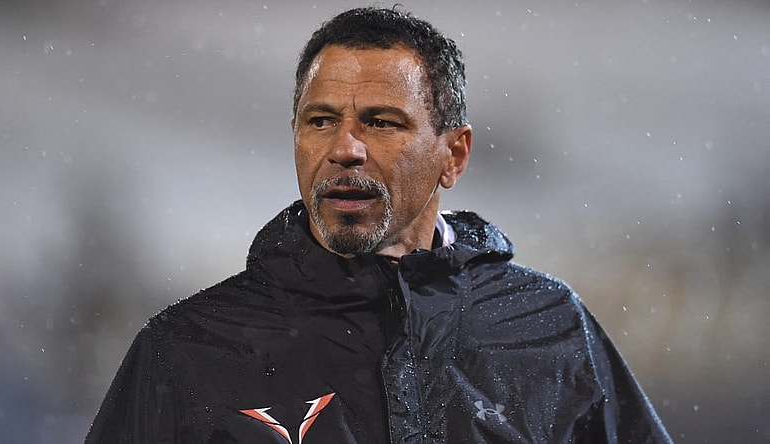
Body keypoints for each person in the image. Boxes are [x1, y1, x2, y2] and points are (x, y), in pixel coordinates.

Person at [85, 7, 672, 444]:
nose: (345, 149)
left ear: (454, 155)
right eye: (320, 121)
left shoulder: (547, 328)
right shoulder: (187, 350)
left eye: (381, 123)